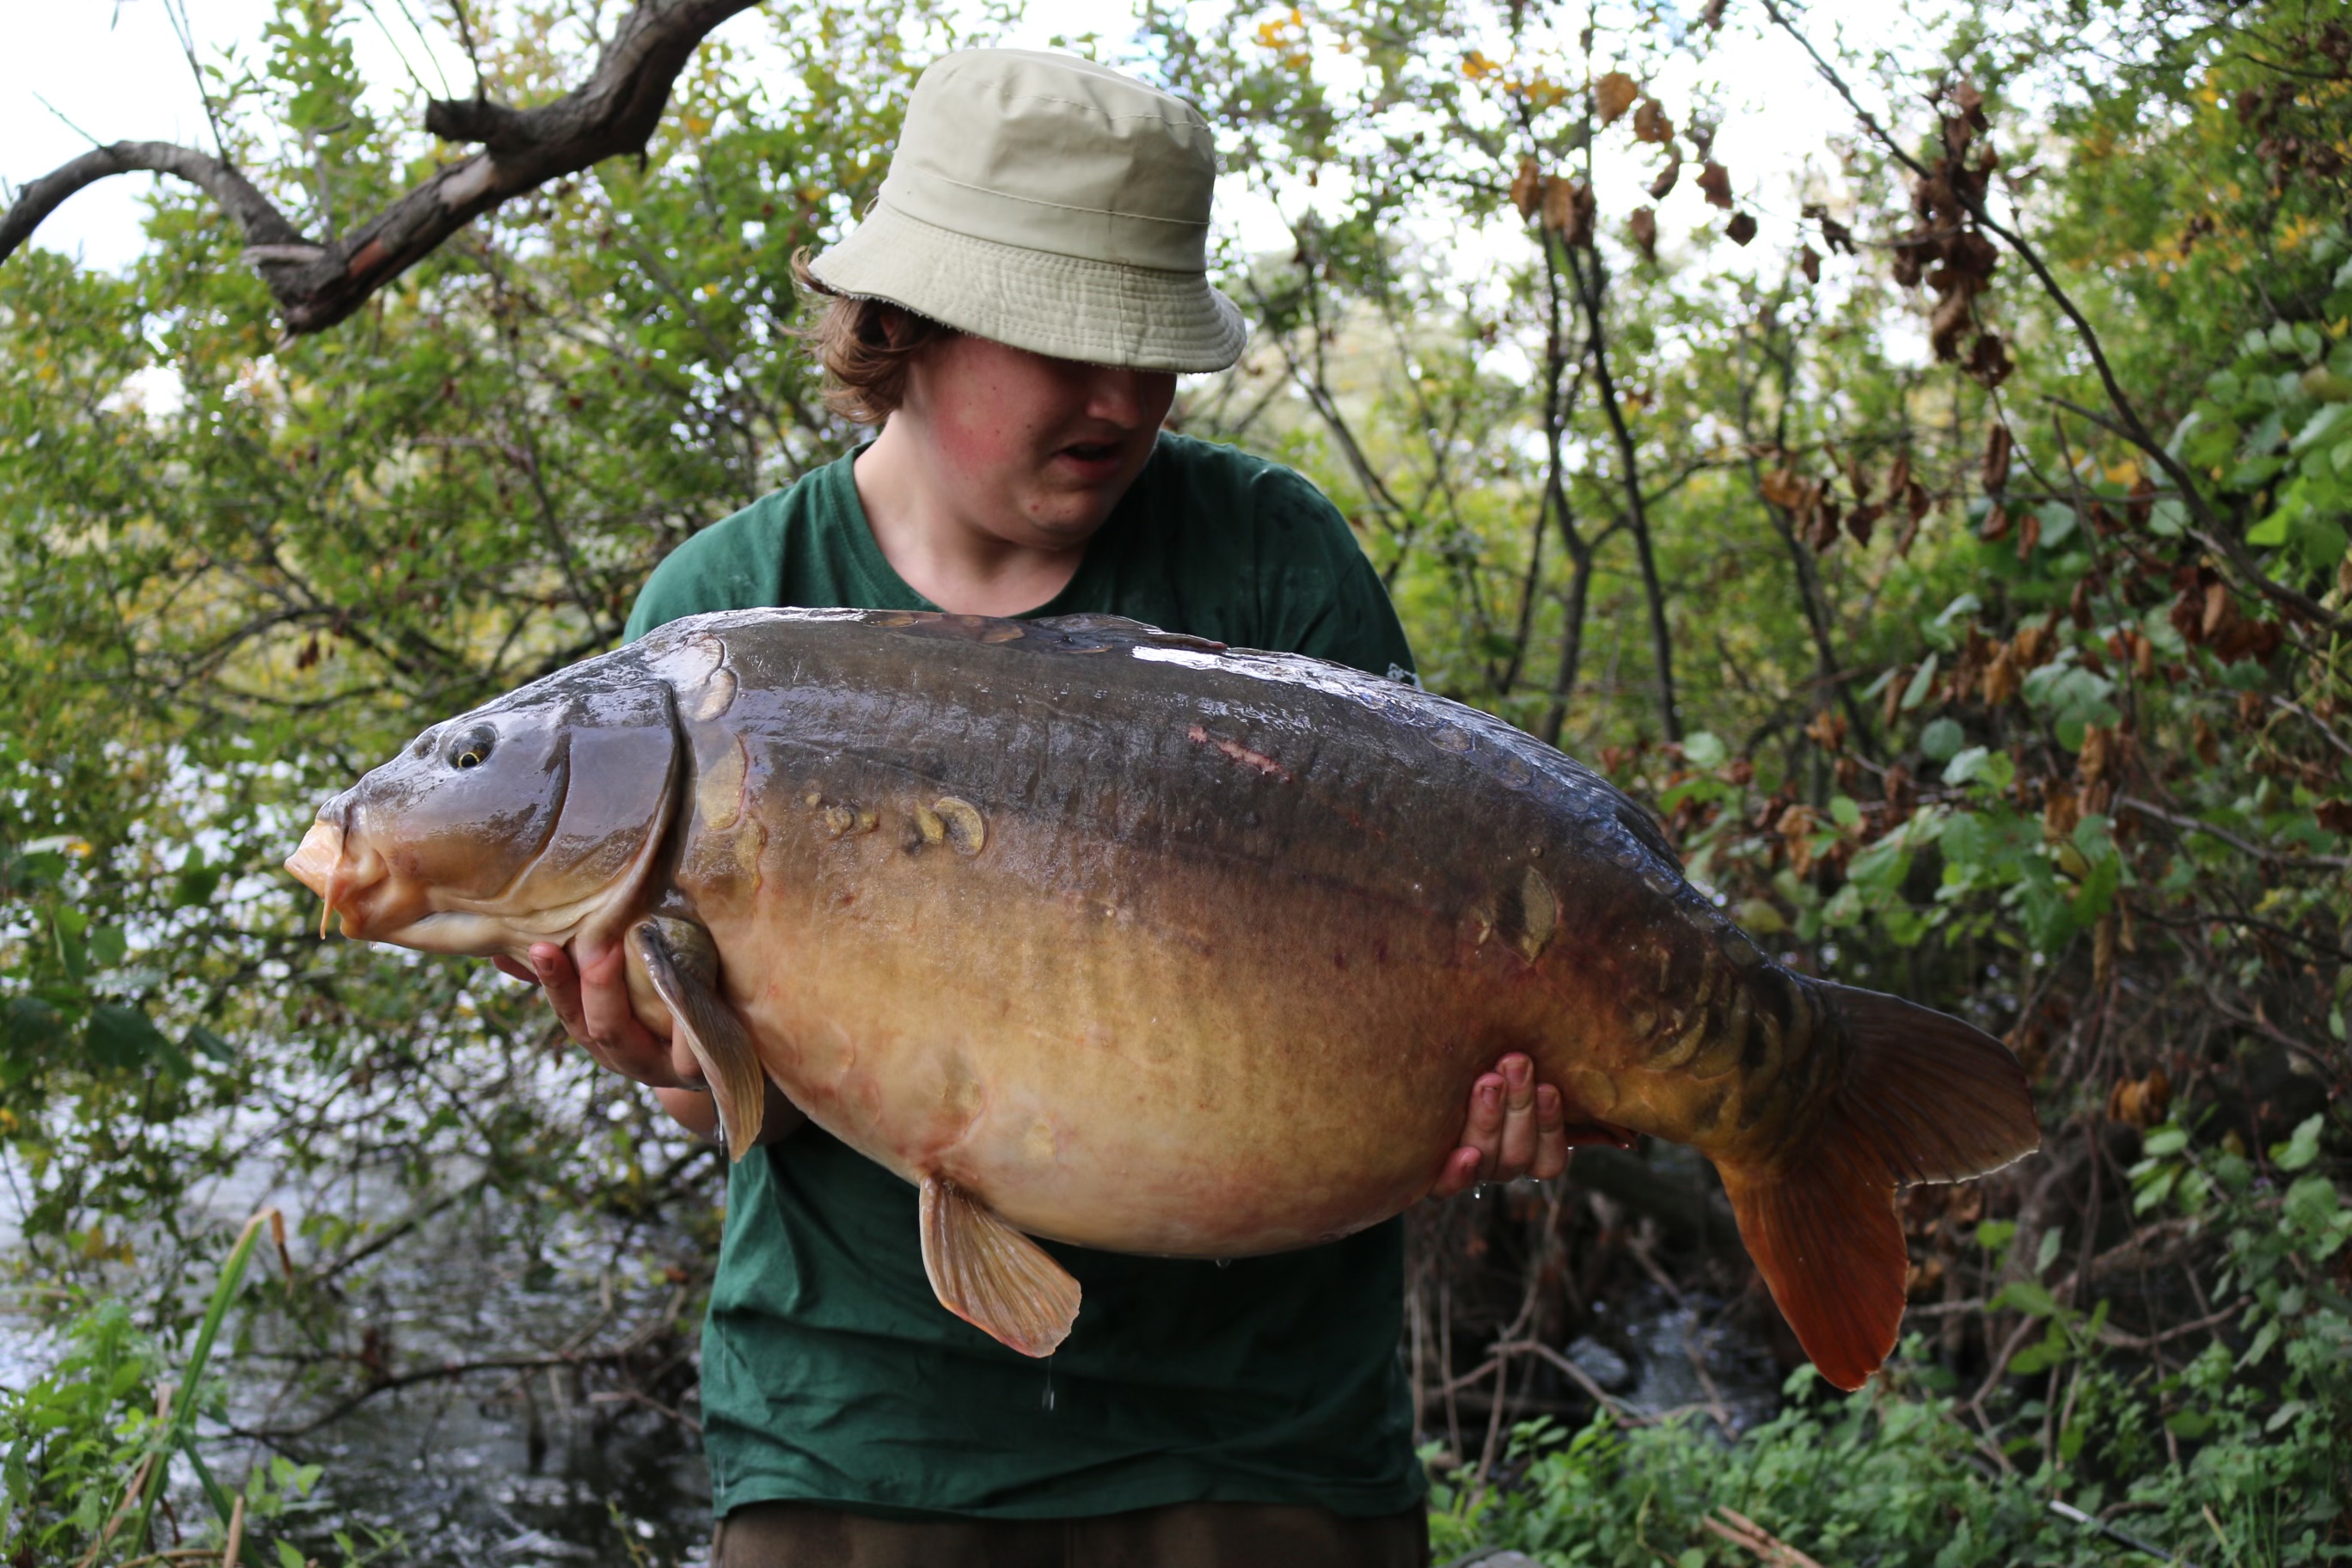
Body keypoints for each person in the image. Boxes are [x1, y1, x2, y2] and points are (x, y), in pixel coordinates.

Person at [496, 49, 1569, 1567]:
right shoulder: (724, 619)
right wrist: (663, 1052)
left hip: (1262, 1438)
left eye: (1151, 345)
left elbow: (1430, 975)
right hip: (862, 1436)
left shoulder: (1272, 564)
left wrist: (1479, 1098)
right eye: (1067, 341)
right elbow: (729, 1108)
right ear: (901, 325)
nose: (1120, 395)